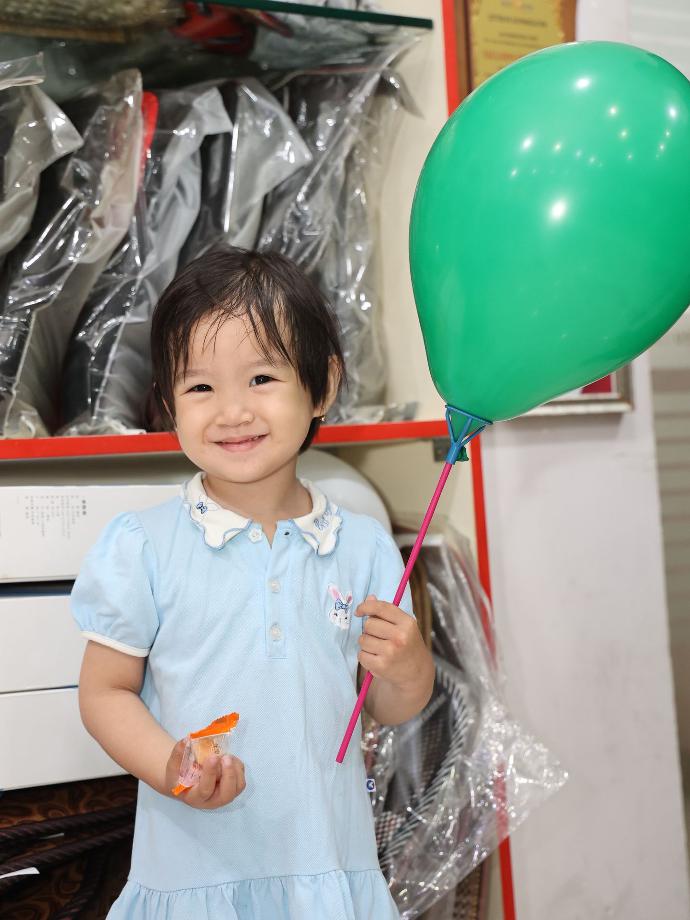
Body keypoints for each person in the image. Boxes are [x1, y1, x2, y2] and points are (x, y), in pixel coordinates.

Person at [72, 246, 435, 919]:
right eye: (200, 387)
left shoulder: (362, 547)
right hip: (193, 875)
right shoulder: (143, 545)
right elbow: (103, 692)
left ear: (321, 386)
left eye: (262, 377)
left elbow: (386, 707)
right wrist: (172, 766)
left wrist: (411, 670)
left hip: (327, 870)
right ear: (168, 403)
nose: (232, 411)